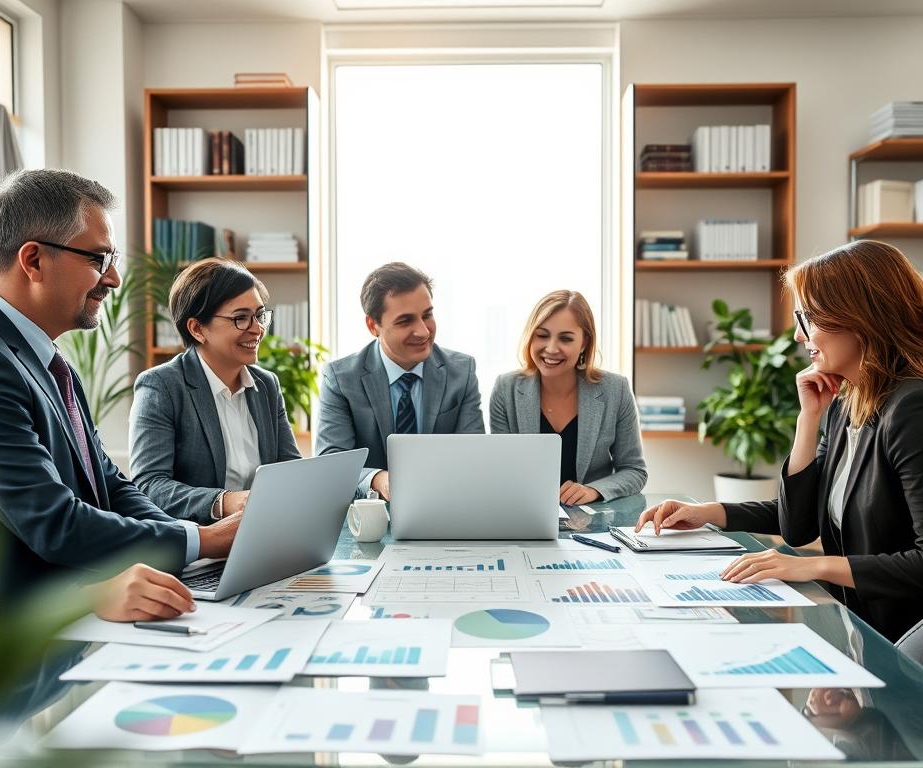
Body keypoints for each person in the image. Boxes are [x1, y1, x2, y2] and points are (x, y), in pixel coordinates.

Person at [0, 169, 239, 621]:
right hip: (13, 643)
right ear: (32, 261)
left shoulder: (52, 363)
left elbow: (110, 486)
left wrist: (191, 538)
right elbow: (54, 522)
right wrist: (204, 539)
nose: (112, 279)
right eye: (97, 259)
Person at [636, 240, 923, 642]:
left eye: (808, 318)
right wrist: (707, 512)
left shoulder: (912, 406)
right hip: (861, 627)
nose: (798, 333)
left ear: (860, 318)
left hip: (903, 639)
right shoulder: (848, 403)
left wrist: (815, 566)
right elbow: (799, 525)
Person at [129, 258, 301, 524]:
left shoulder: (266, 385)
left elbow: (291, 471)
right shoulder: (161, 386)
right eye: (240, 318)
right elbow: (149, 486)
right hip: (198, 550)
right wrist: (225, 501)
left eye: (259, 315)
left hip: (266, 536)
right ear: (197, 329)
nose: (257, 329)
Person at [315, 262, 485, 500]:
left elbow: (474, 455)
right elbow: (330, 464)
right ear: (373, 325)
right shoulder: (341, 378)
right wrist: (377, 479)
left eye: (427, 315)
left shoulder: (462, 371)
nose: (424, 331)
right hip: (368, 517)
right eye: (405, 321)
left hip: (445, 504)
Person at [490, 290, 647, 504]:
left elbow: (634, 470)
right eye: (542, 335)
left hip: (593, 521)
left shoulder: (615, 390)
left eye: (565, 338)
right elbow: (501, 470)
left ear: (584, 342)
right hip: (526, 513)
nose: (551, 348)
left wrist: (593, 490)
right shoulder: (505, 389)